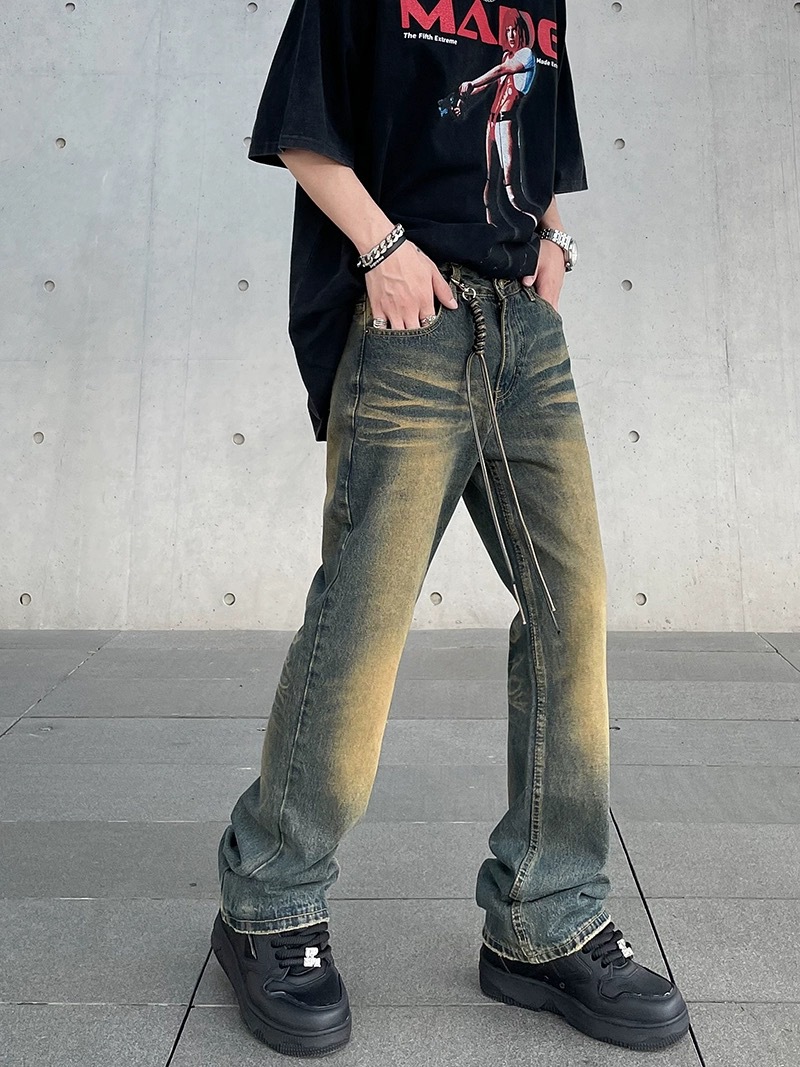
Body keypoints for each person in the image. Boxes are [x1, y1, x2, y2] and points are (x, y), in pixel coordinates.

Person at [211, 0, 691, 1057]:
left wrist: (553, 240)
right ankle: (269, 902)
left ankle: (543, 920)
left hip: (524, 327)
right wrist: (381, 249)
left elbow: (544, 143)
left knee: (572, 610)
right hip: (409, 315)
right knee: (364, 618)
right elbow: (300, 128)